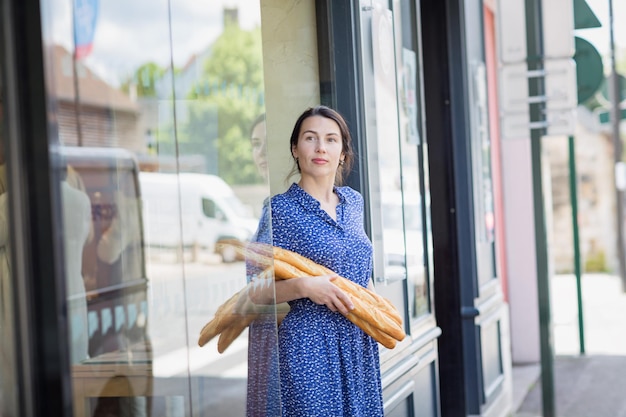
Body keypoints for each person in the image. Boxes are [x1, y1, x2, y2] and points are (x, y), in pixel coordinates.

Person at [251, 105, 384, 416]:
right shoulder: (279, 211)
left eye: (331, 139)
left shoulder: (354, 202)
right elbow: (255, 291)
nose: (321, 147)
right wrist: (305, 287)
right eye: (310, 138)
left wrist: (377, 313)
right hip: (309, 346)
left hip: (358, 340)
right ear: (296, 149)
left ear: (343, 152)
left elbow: (362, 267)